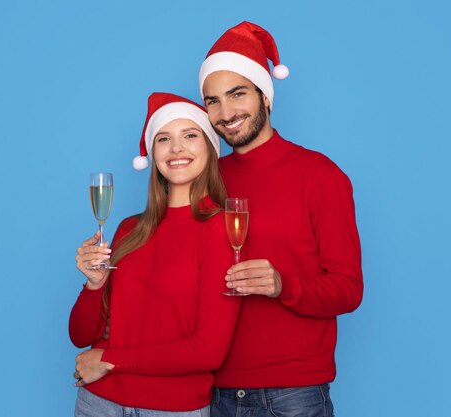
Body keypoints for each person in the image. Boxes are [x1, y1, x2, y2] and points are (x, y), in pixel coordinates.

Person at [198, 21, 364, 416]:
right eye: (212, 101)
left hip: (294, 394)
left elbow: (349, 289)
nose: (226, 113)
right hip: (213, 391)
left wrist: (283, 285)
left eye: (237, 94)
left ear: (265, 97)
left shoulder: (321, 176)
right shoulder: (206, 179)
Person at [69, 92, 241, 416]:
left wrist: (110, 360)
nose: (176, 148)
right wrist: (93, 286)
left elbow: (208, 351)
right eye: (164, 139)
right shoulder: (128, 230)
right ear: (154, 153)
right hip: (98, 402)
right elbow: (81, 336)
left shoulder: (221, 230)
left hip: (173, 408)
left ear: (209, 147)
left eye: (190, 135)